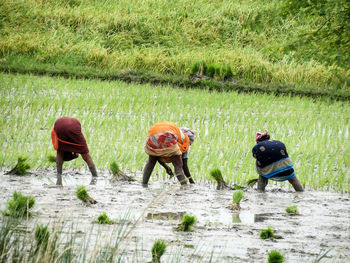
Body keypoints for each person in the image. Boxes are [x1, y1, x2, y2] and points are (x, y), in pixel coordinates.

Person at [143, 121, 195, 185]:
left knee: (151, 162)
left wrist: (166, 167)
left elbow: (158, 155)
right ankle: (184, 187)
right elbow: (184, 166)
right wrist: (191, 181)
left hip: (153, 133)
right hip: (167, 135)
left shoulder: (175, 131)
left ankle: (144, 184)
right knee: (178, 166)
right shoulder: (186, 140)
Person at [51, 117, 97, 185]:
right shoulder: (75, 129)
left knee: (60, 151)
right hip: (72, 127)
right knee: (86, 155)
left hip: (58, 126)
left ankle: (59, 176)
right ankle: (95, 176)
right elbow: (83, 155)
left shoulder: (65, 151)